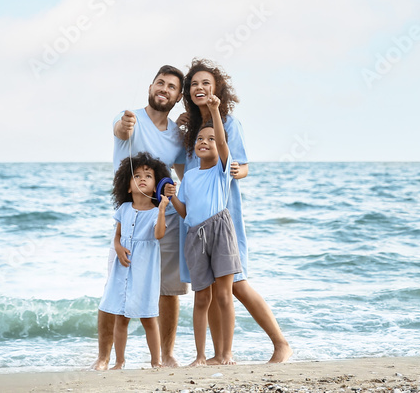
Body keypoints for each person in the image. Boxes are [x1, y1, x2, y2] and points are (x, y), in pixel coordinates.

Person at [178, 59, 292, 364]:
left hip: (224, 214)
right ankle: (219, 354)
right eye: (194, 84)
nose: (200, 88)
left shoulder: (228, 123)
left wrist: (236, 171)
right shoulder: (190, 131)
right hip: (196, 220)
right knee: (211, 289)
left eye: (206, 83)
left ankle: (280, 343)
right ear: (189, 92)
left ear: (217, 89)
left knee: (237, 283)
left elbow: (240, 166)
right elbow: (186, 172)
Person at [94, 65, 187, 370]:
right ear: (150, 86)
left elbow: (183, 175)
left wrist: (186, 207)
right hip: (130, 215)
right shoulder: (130, 118)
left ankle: (165, 355)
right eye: (160, 83)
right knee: (114, 288)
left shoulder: (177, 134)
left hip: (166, 217)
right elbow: (120, 130)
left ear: (178, 96)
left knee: (168, 289)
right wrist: (125, 124)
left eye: (172, 86)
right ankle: (104, 358)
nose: (164, 88)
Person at [167, 95, 240, 366]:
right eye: (199, 139)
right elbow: (185, 211)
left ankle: (226, 354)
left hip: (221, 230)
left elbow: (222, 142)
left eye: (209, 139)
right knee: (201, 298)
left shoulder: (222, 170)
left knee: (223, 295)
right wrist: (172, 195)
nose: (204, 142)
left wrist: (214, 110)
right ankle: (200, 356)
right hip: (194, 235)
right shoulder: (190, 176)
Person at [98, 153, 172, 369]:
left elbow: (159, 235)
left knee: (148, 317)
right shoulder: (123, 209)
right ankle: (119, 361)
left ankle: (156, 362)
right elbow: (117, 235)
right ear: (128, 186)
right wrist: (118, 248)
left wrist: (161, 210)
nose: (142, 178)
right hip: (124, 267)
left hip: (144, 271)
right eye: (137, 175)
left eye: (148, 176)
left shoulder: (155, 212)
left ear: (156, 185)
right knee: (121, 318)